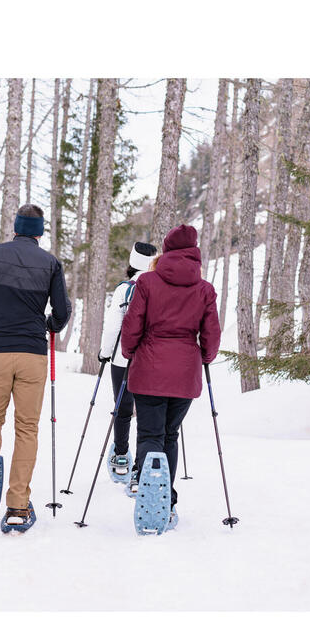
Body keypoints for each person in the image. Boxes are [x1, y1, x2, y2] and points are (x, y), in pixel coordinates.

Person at [0, 203, 71, 532]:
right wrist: (49, 322)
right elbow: (62, 313)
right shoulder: (51, 263)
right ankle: (18, 505)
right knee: (27, 428)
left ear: (15, 228)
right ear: (39, 232)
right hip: (32, 353)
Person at [120, 224, 221, 527]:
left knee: (149, 434)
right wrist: (203, 357)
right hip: (184, 371)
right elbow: (212, 333)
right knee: (169, 435)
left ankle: (148, 494)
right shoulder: (204, 289)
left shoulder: (147, 282)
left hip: (149, 366)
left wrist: (129, 351)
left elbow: (132, 324)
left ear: (167, 249)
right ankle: (167, 501)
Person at [98, 241, 158, 478]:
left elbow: (113, 326)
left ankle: (121, 455)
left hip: (122, 359)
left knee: (122, 409)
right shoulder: (158, 285)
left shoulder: (125, 289)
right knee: (146, 411)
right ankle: (143, 465)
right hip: (150, 360)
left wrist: (104, 352)